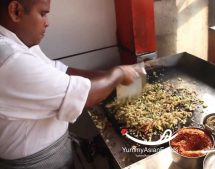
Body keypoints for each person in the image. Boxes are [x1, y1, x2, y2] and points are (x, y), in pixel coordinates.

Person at [0, 0, 144, 168]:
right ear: (16, 11)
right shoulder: (10, 60)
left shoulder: (18, 44)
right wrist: (118, 74)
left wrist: (111, 74)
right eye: (43, 14)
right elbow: (85, 97)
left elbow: (62, 71)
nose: (47, 22)